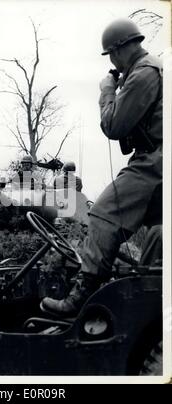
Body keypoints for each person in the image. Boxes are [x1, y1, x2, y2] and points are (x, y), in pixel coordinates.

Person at [41, 18, 162, 316]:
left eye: (111, 55)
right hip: (159, 158)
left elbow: (114, 126)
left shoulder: (143, 73)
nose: (112, 62)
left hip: (154, 160)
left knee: (103, 216)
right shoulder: (152, 69)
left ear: (119, 50)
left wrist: (107, 91)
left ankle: (82, 297)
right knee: (159, 231)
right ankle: (149, 297)